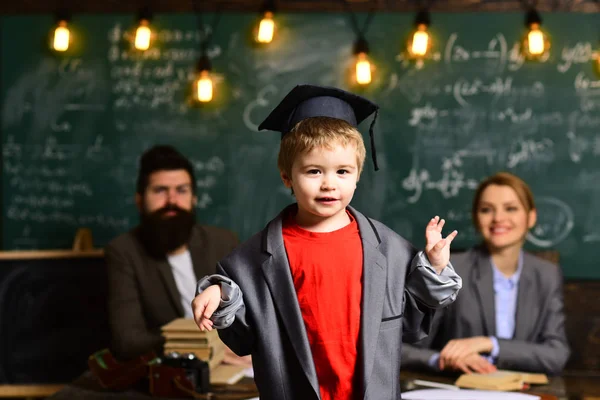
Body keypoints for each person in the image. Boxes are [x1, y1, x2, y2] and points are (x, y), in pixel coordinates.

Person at [191, 84, 463, 400]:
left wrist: (435, 266)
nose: (329, 184)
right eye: (314, 171)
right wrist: (219, 292)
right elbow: (242, 334)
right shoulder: (255, 256)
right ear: (286, 176)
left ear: (358, 174)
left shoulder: (388, 248)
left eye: (343, 171)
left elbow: (413, 324)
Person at [402, 172, 570, 376]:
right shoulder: (450, 268)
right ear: (476, 217)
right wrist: (440, 360)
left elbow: (557, 354)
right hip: (457, 389)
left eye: (511, 208)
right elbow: (404, 347)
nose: (498, 218)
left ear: (531, 217)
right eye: (486, 210)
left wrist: (490, 344)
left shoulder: (546, 274)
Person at [105, 145, 240, 361]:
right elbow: (127, 341)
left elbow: (250, 314)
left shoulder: (224, 242)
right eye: (160, 190)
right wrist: (201, 345)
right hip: (171, 370)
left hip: (235, 364)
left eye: (182, 190)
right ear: (139, 201)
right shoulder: (123, 252)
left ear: (194, 198)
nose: (172, 201)